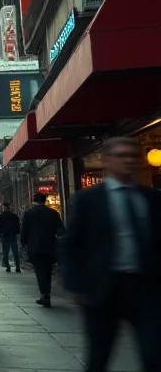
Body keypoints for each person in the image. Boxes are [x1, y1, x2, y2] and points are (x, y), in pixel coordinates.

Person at [62, 137, 160, 371]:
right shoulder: (88, 199)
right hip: (102, 289)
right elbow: (70, 244)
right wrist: (76, 286)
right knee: (99, 356)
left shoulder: (152, 198)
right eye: (121, 155)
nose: (128, 160)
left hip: (146, 289)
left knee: (154, 355)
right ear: (106, 160)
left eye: (133, 155)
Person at [20, 192, 64, 307]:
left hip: (34, 247)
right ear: (45, 201)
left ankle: (44, 294)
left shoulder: (28, 214)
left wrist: (23, 243)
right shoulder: (53, 213)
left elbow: (24, 230)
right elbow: (61, 230)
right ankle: (46, 293)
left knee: (40, 271)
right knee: (48, 270)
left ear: (33, 201)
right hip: (50, 246)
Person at [0, 202, 21, 273]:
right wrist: (17, 233)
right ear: (9, 207)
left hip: (4, 236)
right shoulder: (14, 216)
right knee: (15, 252)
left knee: (5, 252)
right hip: (12, 236)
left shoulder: (0, 216)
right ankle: (17, 267)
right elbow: (17, 225)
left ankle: (7, 267)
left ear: (3, 207)